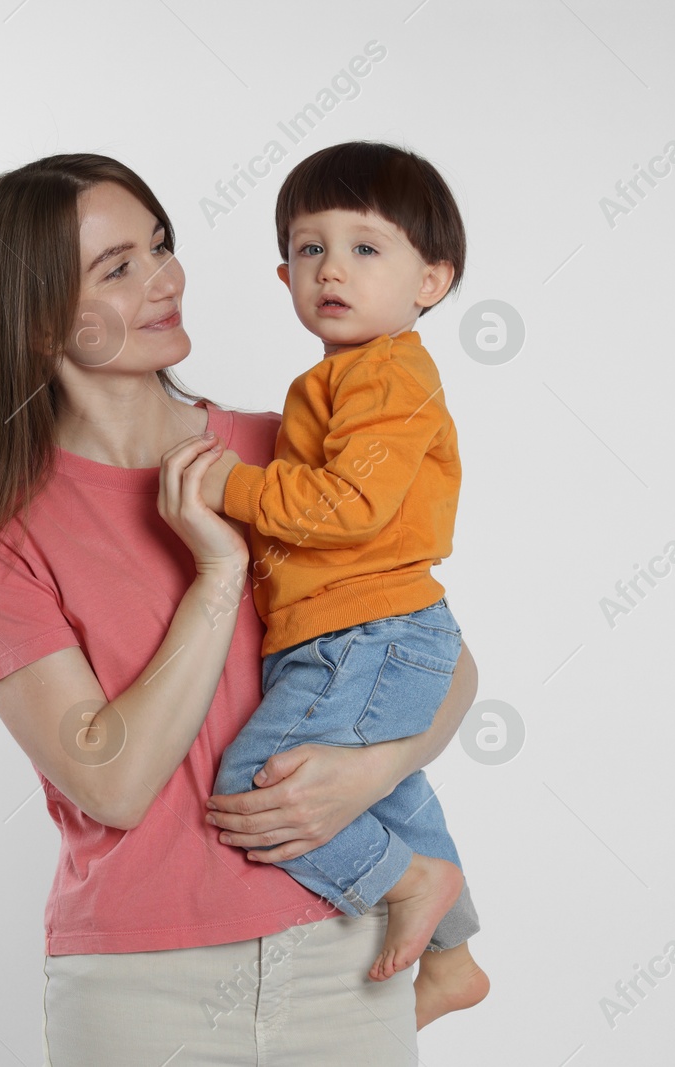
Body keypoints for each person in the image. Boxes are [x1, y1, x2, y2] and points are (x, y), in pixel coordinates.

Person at [0, 152, 481, 1062]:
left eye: (161, 246)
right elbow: (112, 779)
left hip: (349, 953)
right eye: (118, 267)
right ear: (34, 321)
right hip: (142, 986)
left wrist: (370, 774)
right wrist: (218, 573)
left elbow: (443, 661)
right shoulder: (0, 538)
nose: (165, 279)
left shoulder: (283, 456)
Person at [198, 141, 489, 1022]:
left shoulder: (390, 371)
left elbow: (352, 504)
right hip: (359, 631)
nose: (332, 268)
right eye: (310, 247)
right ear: (283, 271)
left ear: (431, 281)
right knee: (384, 783)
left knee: (259, 782)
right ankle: (455, 956)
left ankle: (407, 882)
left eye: (367, 248)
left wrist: (230, 486)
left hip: (366, 633)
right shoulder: (337, 377)